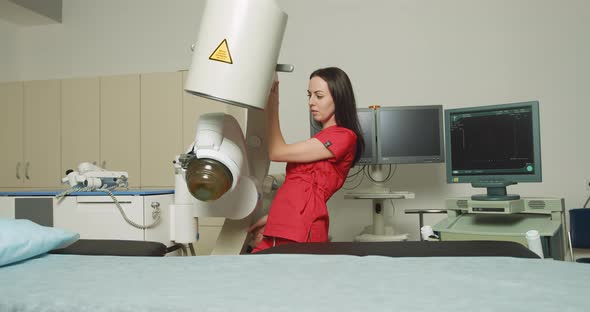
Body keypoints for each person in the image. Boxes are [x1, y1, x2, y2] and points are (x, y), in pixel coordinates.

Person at [248, 67, 365, 253]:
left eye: (319, 96)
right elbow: (297, 189)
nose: (311, 102)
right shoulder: (320, 139)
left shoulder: (344, 137)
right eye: (309, 95)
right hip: (282, 223)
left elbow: (277, 152)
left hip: (301, 227)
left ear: (338, 98)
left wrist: (272, 104)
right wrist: (273, 217)